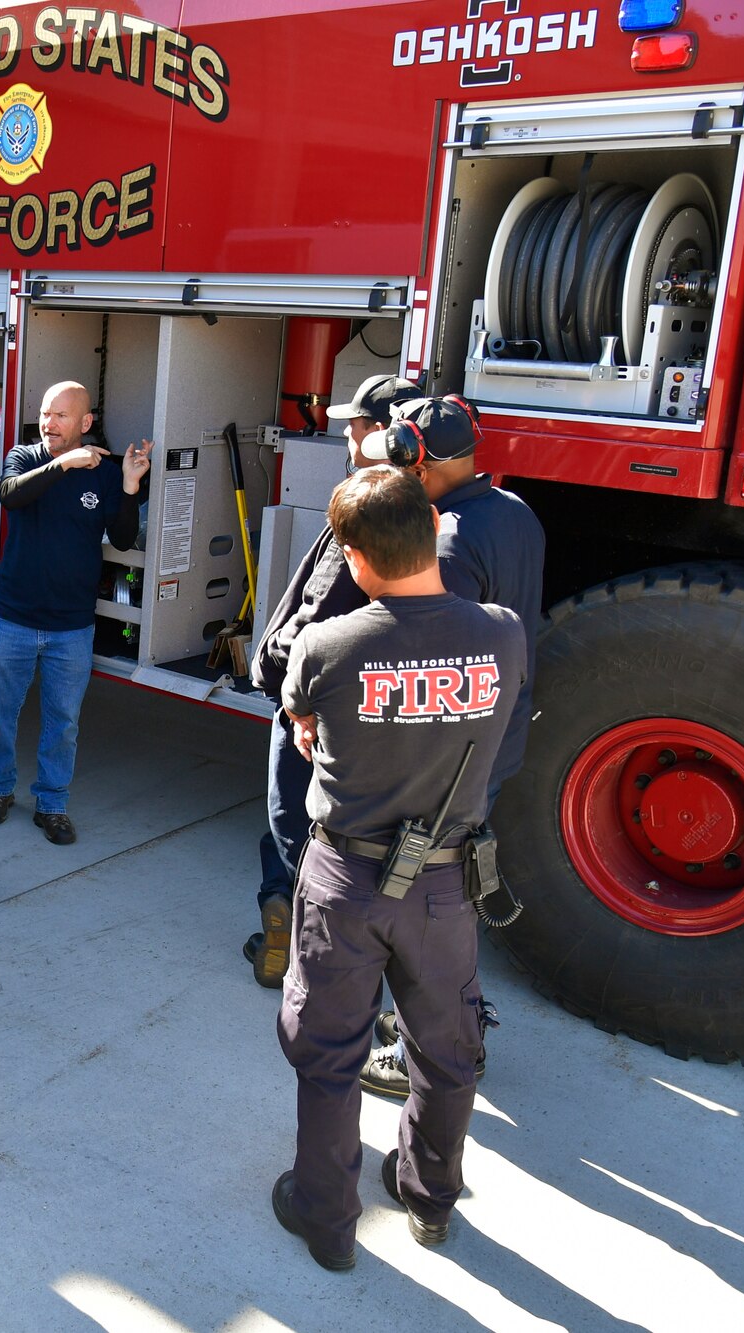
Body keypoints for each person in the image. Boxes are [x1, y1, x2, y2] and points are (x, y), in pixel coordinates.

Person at [271, 464, 526, 1271]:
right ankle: (430, 1199)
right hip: (447, 884)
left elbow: (300, 716)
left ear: (353, 554)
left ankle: (326, 1218)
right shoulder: (503, 631)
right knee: (448, 1050)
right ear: (431, 533)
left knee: (330, 1050)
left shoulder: (328, 643)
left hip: (346, 879)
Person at [350, 395, 544, 1097]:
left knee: (421, 904)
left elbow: (432, 659)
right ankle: (449, 1018)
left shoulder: (452, 540)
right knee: (452, 889)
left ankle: (431, 1044)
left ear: (416, 460)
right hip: (495, 742)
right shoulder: (514, 511)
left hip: (448, 759)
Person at [246, 374, 422, 987]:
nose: (344, 433)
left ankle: (304, 952)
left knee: (295, 821)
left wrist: (269, 668)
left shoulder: (369, 505)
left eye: (353, 423)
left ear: (378, 432)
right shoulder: (428, 515)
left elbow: (316, 612)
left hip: (317, 705)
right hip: (370, 710)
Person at [0, 381, 151, 845]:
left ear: (85, 423)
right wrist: (61, 463)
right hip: (13, 618)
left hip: (72, 627)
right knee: (0, 713)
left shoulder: (102, 473)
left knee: (64, 722)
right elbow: (10, 496)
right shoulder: (24, 457)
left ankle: (52, 804)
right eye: (45, 413)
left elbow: (120, 537)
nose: (49, 423)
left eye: (61, 416)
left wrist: (130, 486)